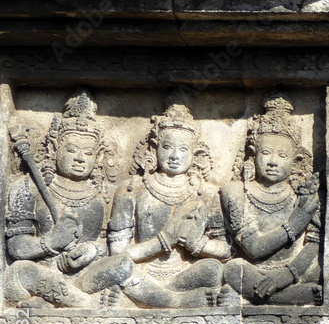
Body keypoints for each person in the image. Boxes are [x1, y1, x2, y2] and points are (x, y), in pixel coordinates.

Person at [4, 89, 131, 307]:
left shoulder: (103, 192)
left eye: (89, 153)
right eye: (72, 150)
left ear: (98, 156)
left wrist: (93, 250)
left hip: (84, 274)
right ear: (54, 149)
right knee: (21, 271)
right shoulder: (27, 186)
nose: (80, 159)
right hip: (43, 270)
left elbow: (107, 244)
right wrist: (51, 242)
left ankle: (56, 300)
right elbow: (16, 247)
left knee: (122, 264)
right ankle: (85, 304)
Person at [108, 98, 230, 307]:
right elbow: (117, 254)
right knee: (118, 268)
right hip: (142, 272)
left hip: (183, 275)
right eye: (167, 147)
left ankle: (154, 298)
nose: (174, 156)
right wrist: (165, 239)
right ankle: (176, 301)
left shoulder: (206, 194)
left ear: (196, 155)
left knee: (214, 269)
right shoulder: (132, 188)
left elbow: (226, 250)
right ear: (154, 149)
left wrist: (198, 244)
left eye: (183, 149)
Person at [221, 93, 322, 305]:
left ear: (297, 161)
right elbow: (254, 249)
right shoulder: (237, 191)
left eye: (283, 156)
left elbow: (314, 243)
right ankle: (289, 298)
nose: (273, 162)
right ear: (252, 154)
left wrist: (285, 275)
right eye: (266, 153)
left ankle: (267, 296)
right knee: (233, 269)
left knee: (325, 263)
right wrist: (296, 222)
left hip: (294, 271)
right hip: (254, 269)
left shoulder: (302, 194)